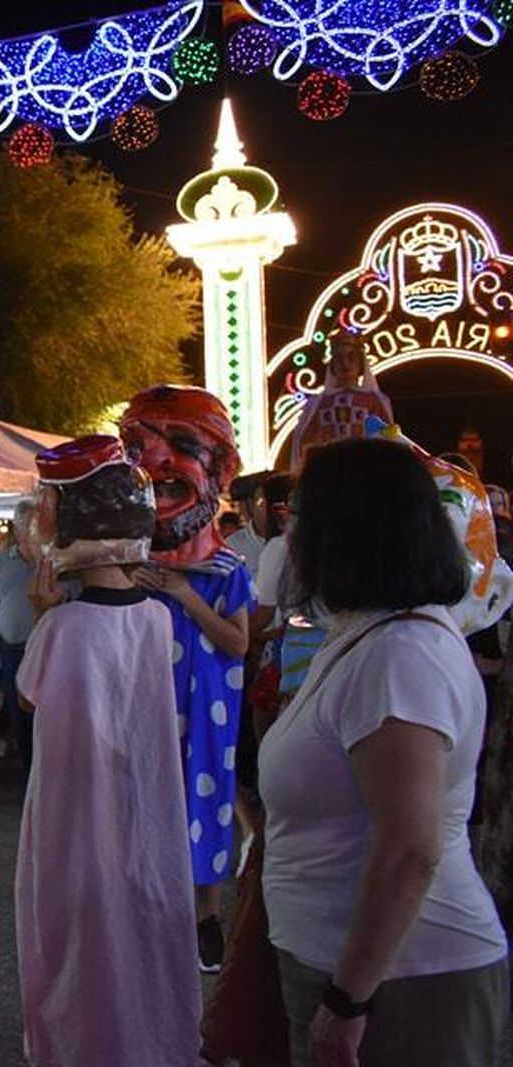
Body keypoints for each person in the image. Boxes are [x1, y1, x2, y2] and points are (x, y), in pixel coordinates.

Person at [259, 437, 508, 1066]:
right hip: (362, 973)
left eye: (301, 518)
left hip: (402, 982)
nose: (290, 539)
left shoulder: (401, 654)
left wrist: (347, 999)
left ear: (345, 530)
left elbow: (409, 849)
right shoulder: (371, 636)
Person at [13, 435, 200, 1066]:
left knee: (79, 938)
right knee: (143, 918)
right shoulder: (155, 616)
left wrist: (43, 613)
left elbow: (30, 698)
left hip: (76, 814)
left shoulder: (65, 627)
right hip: (142, 799)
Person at [121, 385, 254, 974]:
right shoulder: (124, 565)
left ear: (220, 468)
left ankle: (205, 918)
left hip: (208, 711)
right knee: (141, 802)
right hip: (142, 708)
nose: (155, 462)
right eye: (138, 448)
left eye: (182, 445)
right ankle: (150, 911)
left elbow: (237, 642)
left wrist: (183, 595)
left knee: (207, 803)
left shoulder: (227, 570)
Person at [288, 332, 393, 473]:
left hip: (364, 470)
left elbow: (387, 439)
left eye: (351, 357)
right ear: (332, 364)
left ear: (361, 363)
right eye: (339, 358)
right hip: (329, 471)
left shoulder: (375, 399)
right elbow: (305, 441)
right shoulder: (317, 404)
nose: (345, 363)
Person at [0, 503, 41, 772]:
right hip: (12, 650)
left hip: (45, 651)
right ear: (19, 527)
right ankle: (28, 772)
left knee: (44, 716)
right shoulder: (2, 563)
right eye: (30, 524)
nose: (36, 529)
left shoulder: (54, 562)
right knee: (18, 713)